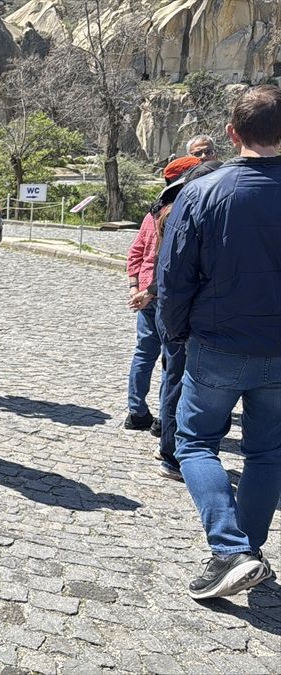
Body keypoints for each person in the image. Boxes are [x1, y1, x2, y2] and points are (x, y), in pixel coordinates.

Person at [157, 84, 281, 600]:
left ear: (231, 134)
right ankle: (246, 552)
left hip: (217, 344)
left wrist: (173, 336)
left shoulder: (202, 190)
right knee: (268, 453)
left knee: (193, 442)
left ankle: (230, 550)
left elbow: (173, 275)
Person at [132, 159, 223, 482]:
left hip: (171, 310)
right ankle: (173, 449)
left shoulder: (174, 212)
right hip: (182, 314)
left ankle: (168, 440)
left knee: (173, 377)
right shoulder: (180, 216)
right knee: (178, 379)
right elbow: (171, 270)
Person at [123, 156, 200, 434]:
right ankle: (165, 421)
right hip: (167, 296)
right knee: (173, 359)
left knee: (145, 352)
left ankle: (136, 411)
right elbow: (172, 263)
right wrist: (146, 290)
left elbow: (135, 253)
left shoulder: (152, 212)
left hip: (146, 293)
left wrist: (135, 287)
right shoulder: (183, 213)